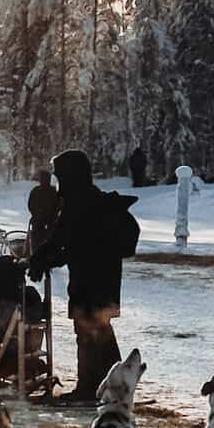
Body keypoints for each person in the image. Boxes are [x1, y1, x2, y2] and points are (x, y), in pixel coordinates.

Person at [27, 149, 140, 404]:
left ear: (70, 175)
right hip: (105, 281)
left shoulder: (78, 201)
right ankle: (115, 385)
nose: (58, 182)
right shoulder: (93, 198)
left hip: (89, 282)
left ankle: (89, 388)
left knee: (88, 333)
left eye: (60, 176)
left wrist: (39, 260)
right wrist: (48, 260)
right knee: (101, 332)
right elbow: (75, 243)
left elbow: (61, 239)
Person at [27, 169, 62, 254]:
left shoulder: (36, 190)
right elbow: (59, 206)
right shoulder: (53, 191)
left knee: (38, 245)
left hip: (43, 223)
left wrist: (36, 215)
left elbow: (30, 205)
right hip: (48, 223)